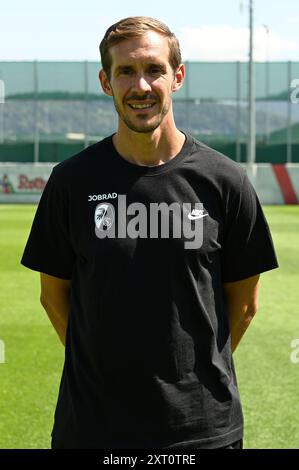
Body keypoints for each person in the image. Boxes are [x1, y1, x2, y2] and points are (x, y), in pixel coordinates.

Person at [21, 16, 278, 450]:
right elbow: (53, 295)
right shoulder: (70, 182)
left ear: (177, 77)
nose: (141, 86)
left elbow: (245, 304)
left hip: (202, 432)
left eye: (154, 69)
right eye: (125, 71)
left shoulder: (225, 180)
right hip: (93, 429)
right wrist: (102, 367)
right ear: (106, 82)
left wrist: (193, 373)